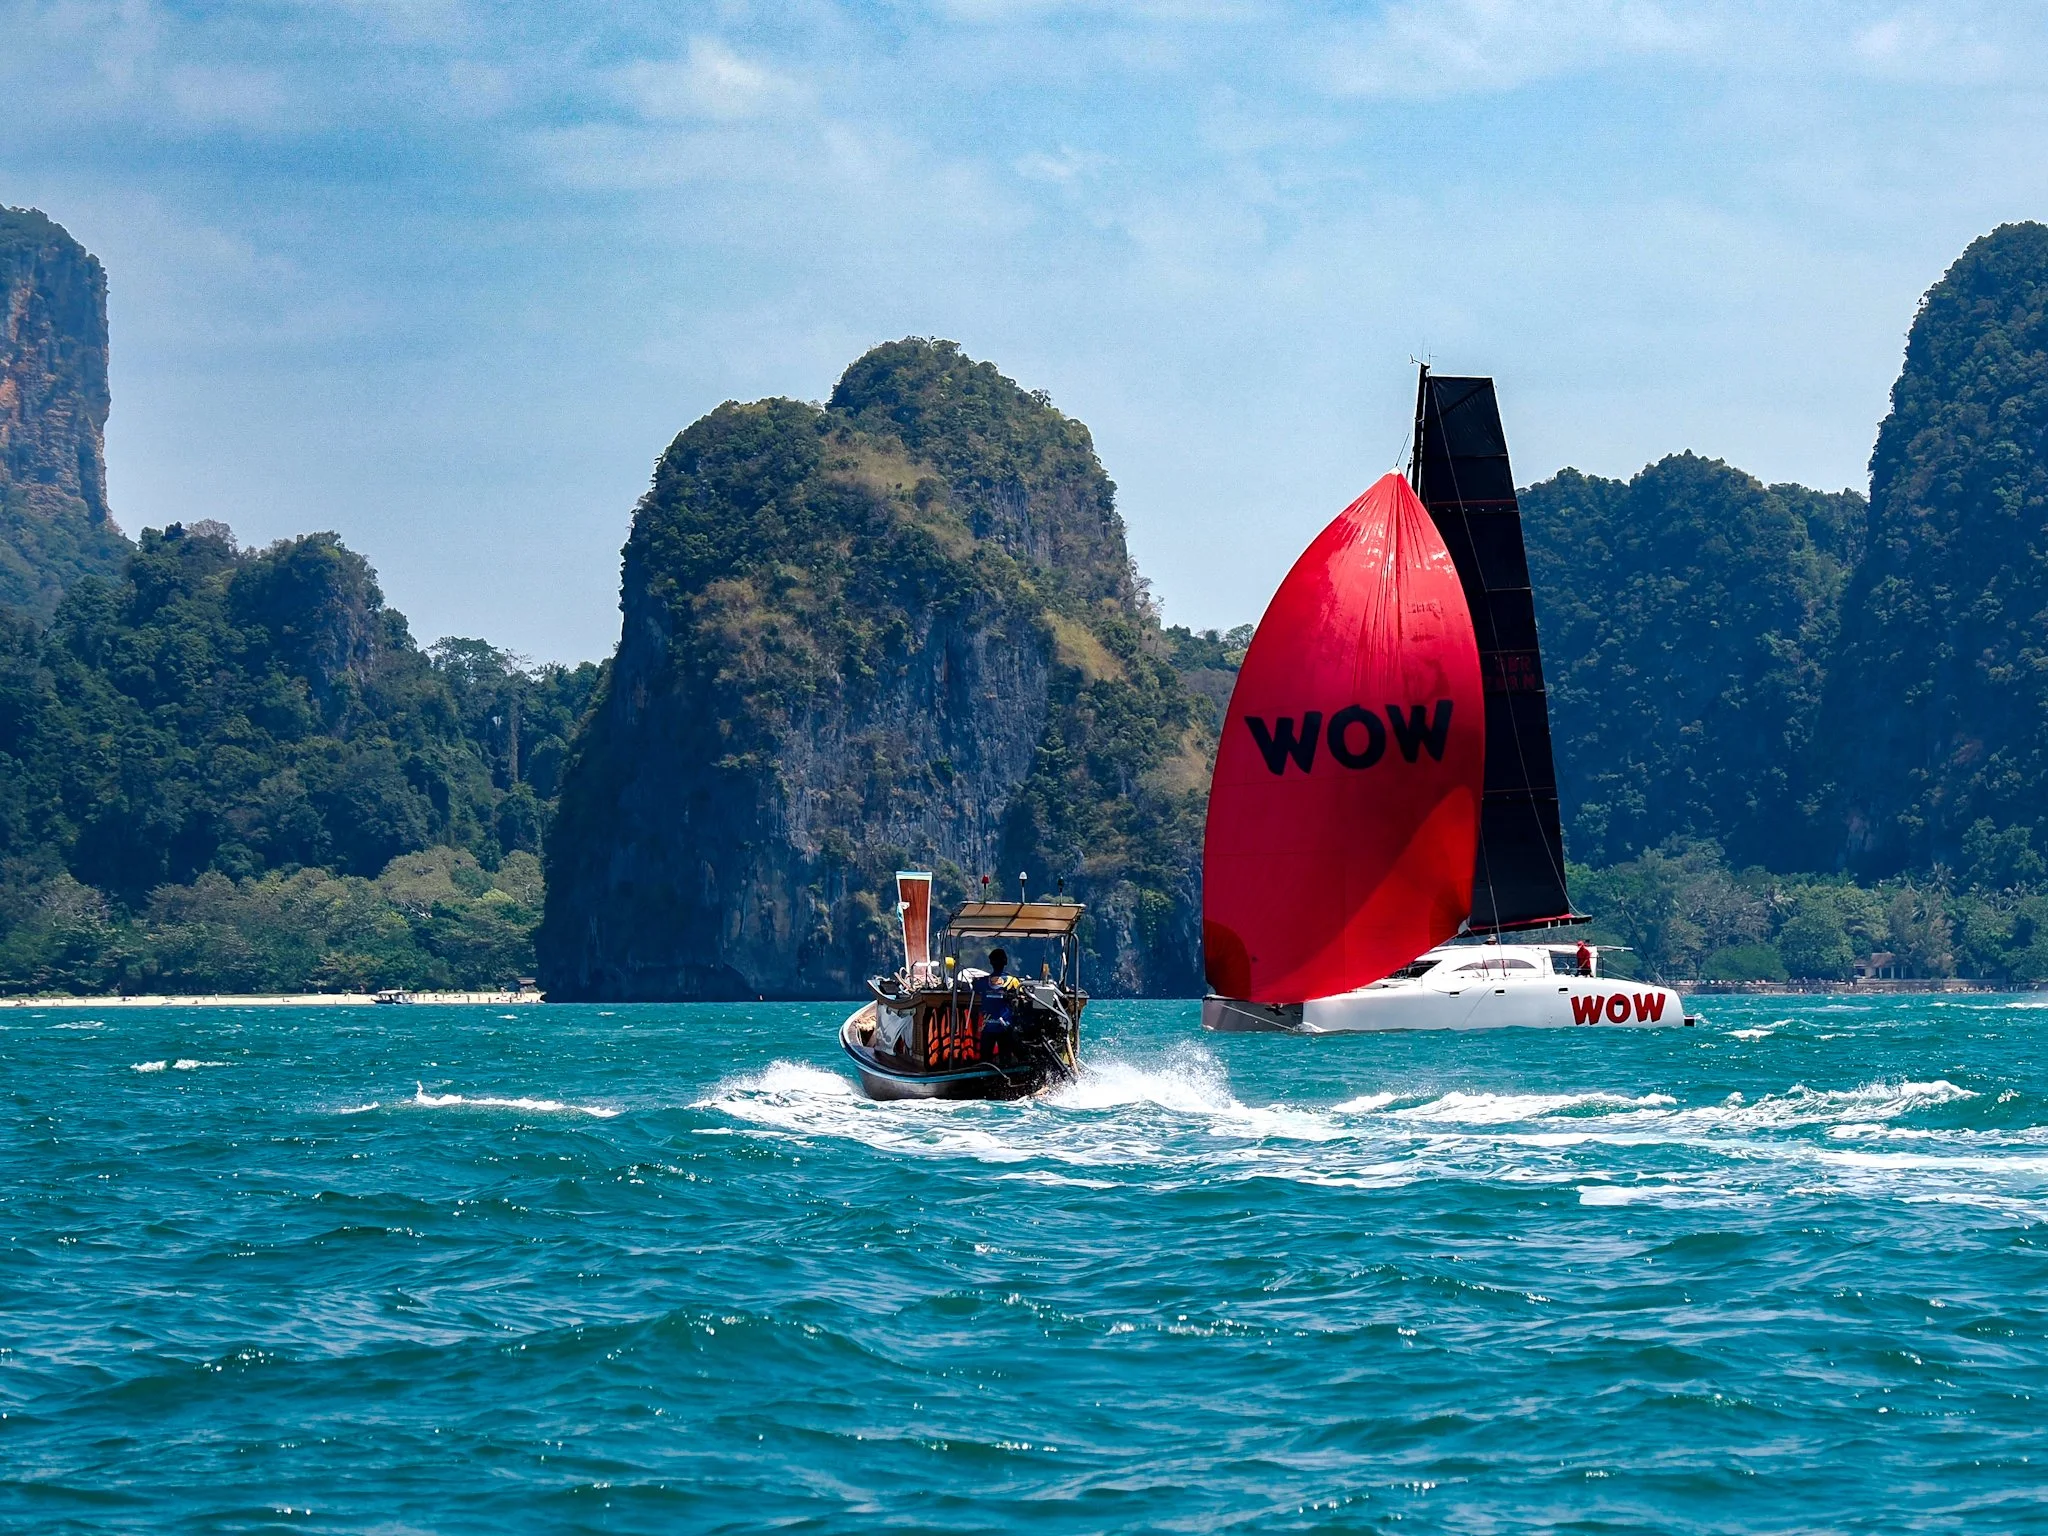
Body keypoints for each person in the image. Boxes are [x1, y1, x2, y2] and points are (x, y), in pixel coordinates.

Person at [974, 947, 1020, 1058]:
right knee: (1005, 1058)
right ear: (1005, 962)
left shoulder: (983, 981)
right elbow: (1021, 994)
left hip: (988, 1025)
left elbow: (974, 986)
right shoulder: (1013, 981)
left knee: (985, 1059)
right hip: (1005, 1025)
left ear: (991, 962)